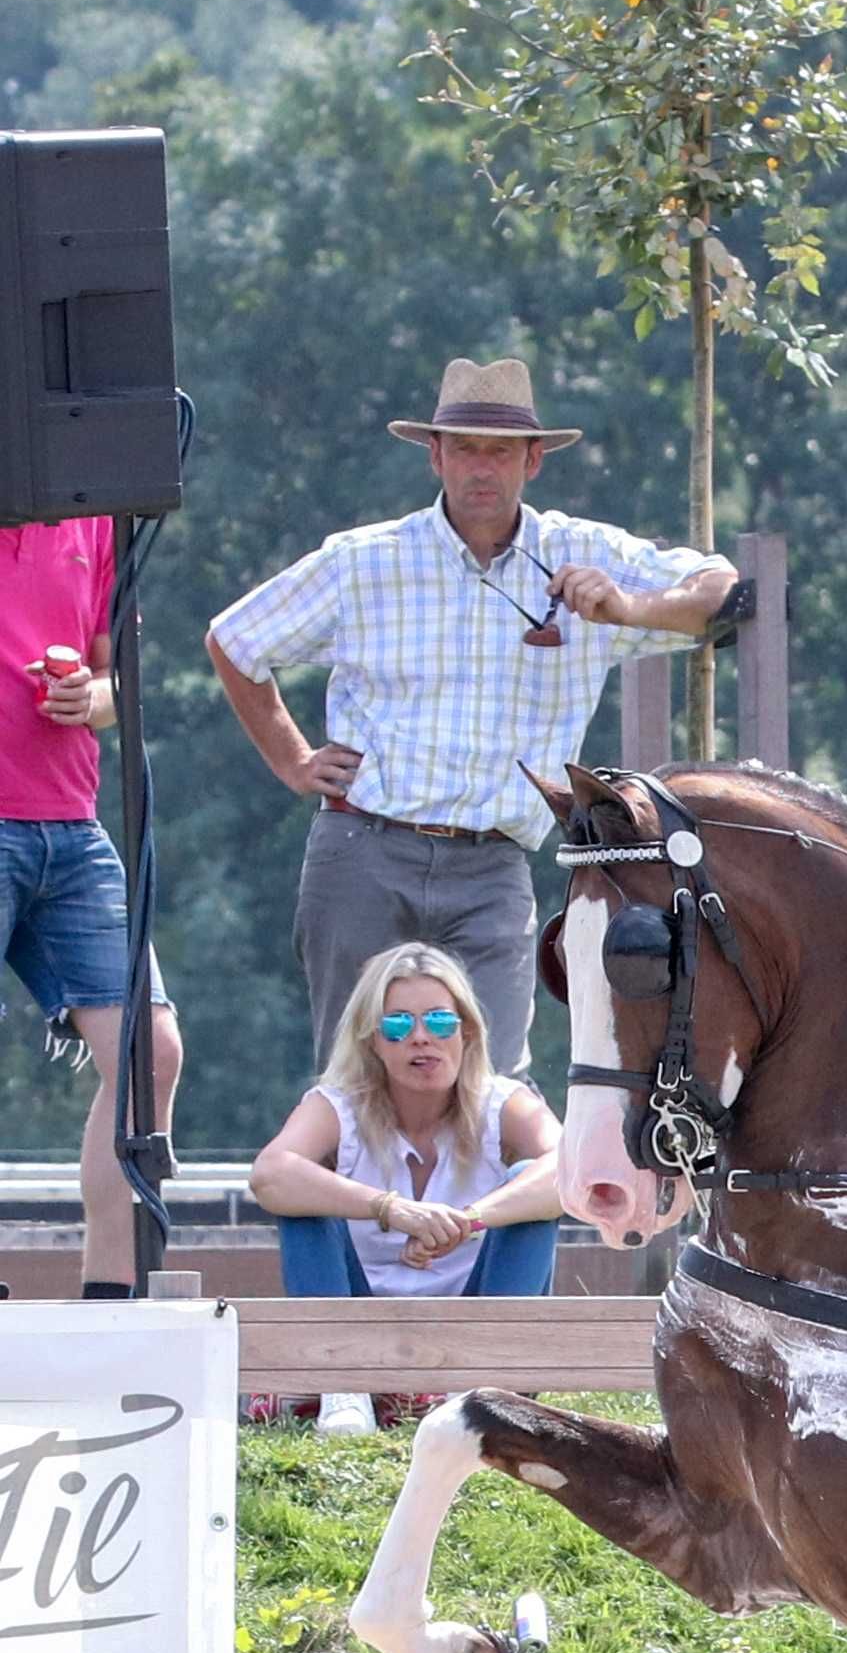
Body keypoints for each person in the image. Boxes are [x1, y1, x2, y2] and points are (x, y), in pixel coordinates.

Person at [206, 358, 740, 1074]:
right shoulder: (364, 561)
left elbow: (721, 589)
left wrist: (626, 607)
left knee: (491, 1085)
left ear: (534, 460)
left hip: (495, 864)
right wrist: (294, 761)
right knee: (352, 1074)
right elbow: (235, 641)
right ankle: (364, 1193)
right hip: (365, 849)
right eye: (463, 447)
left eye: (499, 451)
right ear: (434, 454)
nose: (479, 469)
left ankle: (480, 1190)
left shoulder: (585, 555)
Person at [248, 943, 562, 1432]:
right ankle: (343, 1388)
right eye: (397, 1025)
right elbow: (271, 1174)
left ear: (467, 1033)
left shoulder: (504, 1102)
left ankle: (483, 1391)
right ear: (373, 1041)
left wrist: (470, 1220)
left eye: (439, 1022)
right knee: (303, 1194)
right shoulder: (338, 1106)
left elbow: (570, 1171)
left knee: (530, 1190)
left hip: (473, 1320)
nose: (421, 1039)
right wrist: (393, 1210)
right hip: (361, 1321)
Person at [3, 515, 181, 1294]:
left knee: (152, 1052)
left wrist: (92, 695)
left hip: (71, 832)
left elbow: (120, 683)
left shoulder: (95, 513)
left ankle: (112, 1303)